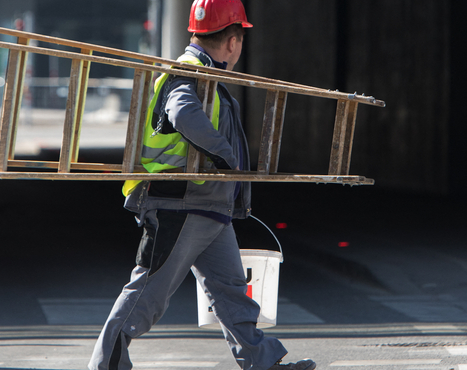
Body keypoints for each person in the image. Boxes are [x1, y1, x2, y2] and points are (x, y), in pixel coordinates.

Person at [88, 1, 316, 370]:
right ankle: (107, 363)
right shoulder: (189, 73)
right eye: (239, 41)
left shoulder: (203, 75)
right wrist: (224, 157)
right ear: (233, 41)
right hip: (181, 204)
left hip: (209, 208)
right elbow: (182, 112)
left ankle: (262, 362)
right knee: (149, 291)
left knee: (231, 293)